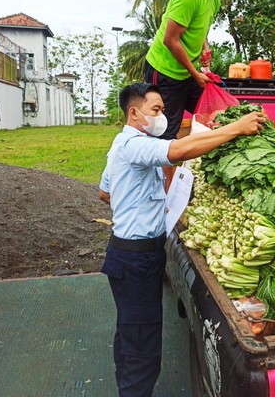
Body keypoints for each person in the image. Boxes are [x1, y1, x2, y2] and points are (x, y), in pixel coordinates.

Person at [98, 82, 264, 397]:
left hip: (128, 254)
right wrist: (236, 128)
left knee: (130, 336)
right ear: (134, 113)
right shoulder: (134, 144)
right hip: (136, 258)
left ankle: (127, 387)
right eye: (156, 110)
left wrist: (139, 204)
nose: (162, 116)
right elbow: (177, 151)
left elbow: (105, 192)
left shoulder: (120, 145)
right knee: (143, 349)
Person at [144, 0, 243, 141]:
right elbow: (170, 40)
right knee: (167, 132)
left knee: (215, 116)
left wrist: (204, 49)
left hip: (187, 71)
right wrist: (195, 74)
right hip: (164, 71)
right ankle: (161, 172)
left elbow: (202, 28)